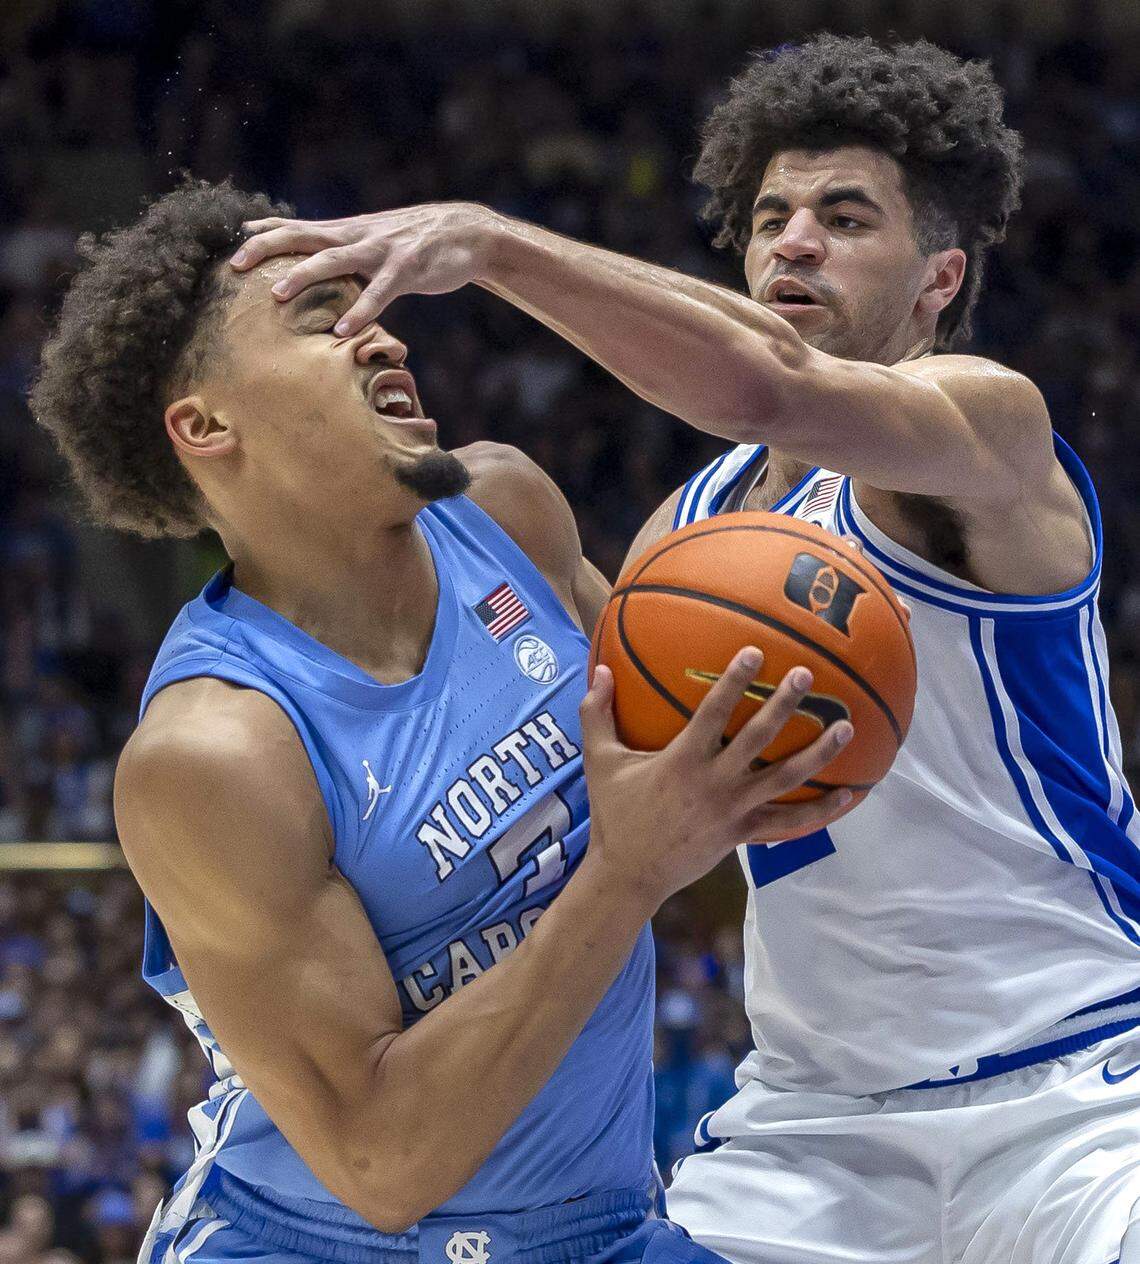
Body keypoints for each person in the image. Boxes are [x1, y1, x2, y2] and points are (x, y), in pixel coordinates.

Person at [234, 33, 1140, 1264]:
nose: (793, 241)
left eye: (844, 215)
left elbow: (770, 385)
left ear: (941, 276)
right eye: (770, 216)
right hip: (817, 1135)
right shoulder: (687, 538)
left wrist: (491, 243)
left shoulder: (988, 429)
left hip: (1085, 1089)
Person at [29, 179, 853, 1264]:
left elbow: (694, 803)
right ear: (206, 424)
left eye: (372, 306)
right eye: (324, 320)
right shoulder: (215, 750)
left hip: (601, 1229)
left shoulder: (507, 509)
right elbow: (385, 1163)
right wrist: (623, 873)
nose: (377, 334)